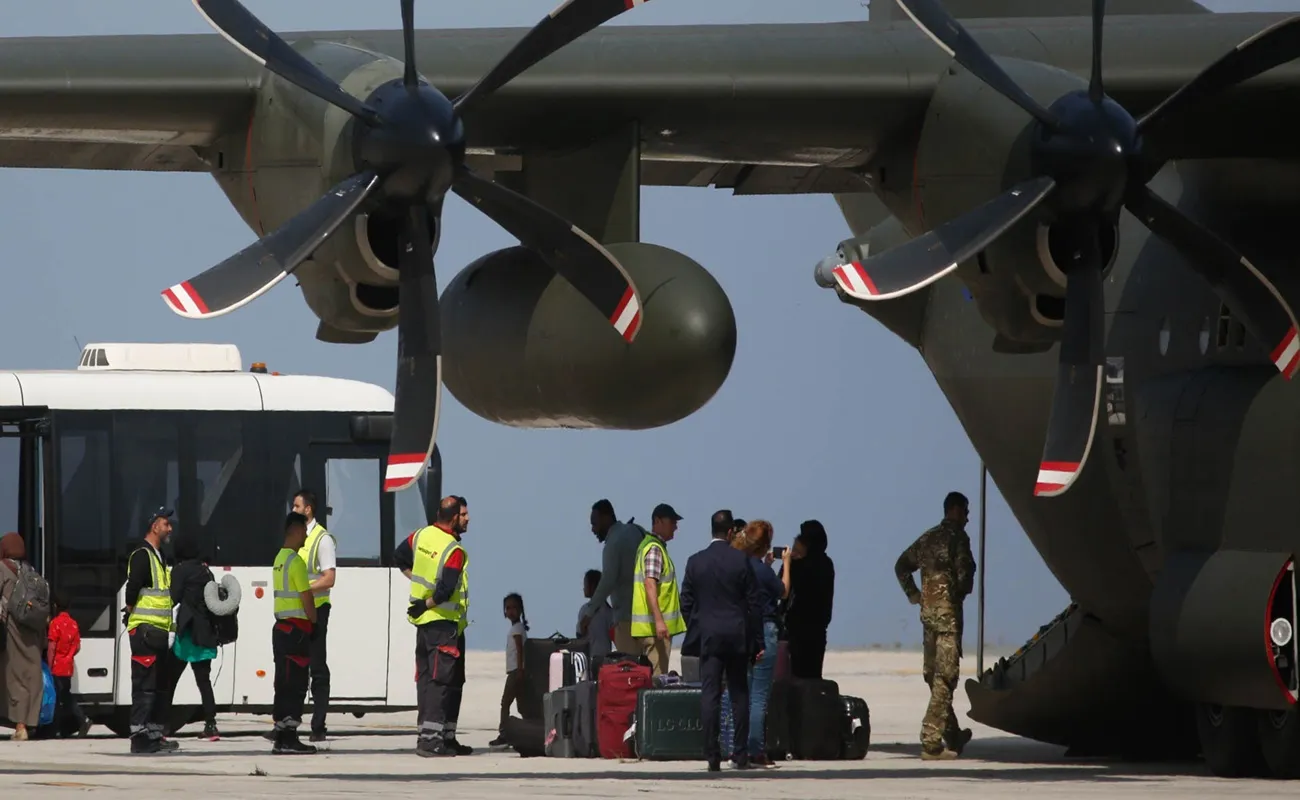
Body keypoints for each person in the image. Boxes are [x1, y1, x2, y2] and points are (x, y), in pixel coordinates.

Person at [894, 491, 977, 760]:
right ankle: (931, 739)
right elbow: (965, 576)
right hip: (948, 618)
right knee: (946, 676)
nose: (967, 518)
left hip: (928, 617)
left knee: (933, 674)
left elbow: (901, 566)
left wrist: (915, 595)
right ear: (954, 510)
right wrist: (957, 593)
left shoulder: (928, 537)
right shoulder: (958, 539)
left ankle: (952, 734)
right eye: (964, 511)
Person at [680, 509, 763, 772]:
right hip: (737, 636)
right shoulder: (741, 561)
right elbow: (754, 604)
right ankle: (740, 754)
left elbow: (686, 602)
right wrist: (757, 641)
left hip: (710, 637)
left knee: (710, 694)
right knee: (739, 695)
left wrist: (698, 626)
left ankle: (712, 755)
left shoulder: (695, 562)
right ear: (730, 532)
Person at [394, 495, 472, 757]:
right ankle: (431, 742)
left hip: (425, 624)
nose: (468, 518)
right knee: (441, 682)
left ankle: (441, 737)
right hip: (442, 623)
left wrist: (417, 589)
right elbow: (446, 590)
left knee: (429, 680)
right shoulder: (454, 550)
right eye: (463, 515)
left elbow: (399, 556)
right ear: (452, 518)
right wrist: (427, 602)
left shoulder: (421, 536)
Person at [122, 507, 180, 754]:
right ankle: (139, 736)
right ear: (155, 526)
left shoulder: (159, 556)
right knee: (144, 685)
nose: (170, 529)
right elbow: (132, 590)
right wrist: (131, 612)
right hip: (145, 631)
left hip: (157, 631)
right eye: (166, 524)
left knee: (157, 685)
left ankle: (154, 734)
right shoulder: (142, 555)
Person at [733, 520, 791, 765]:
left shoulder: (739, 566)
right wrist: (786, 563)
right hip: (765, 629)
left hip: (740, 631)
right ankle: (755, 749)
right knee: (758, 696)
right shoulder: (763, 570)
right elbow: (784, 591)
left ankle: (737, 747)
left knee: (741, 693)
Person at [270, 511, 319, 755]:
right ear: (296, 530)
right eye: (305, 530)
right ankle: (289, 738)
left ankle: (281, 734)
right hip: (296, 631)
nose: (307, 536)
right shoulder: (296, 562)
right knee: (296, 684)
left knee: (283, 681)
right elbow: (306, 597)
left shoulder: (279, 558)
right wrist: (315, 620)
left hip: (280, 629)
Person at [167, 533, 220, 740]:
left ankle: (162, 724)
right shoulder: (205, 570)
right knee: (203, 681)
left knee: (169, 679)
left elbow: (173, 597)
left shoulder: (181, 570)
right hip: (205, 634)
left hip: (187, 635)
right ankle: (211, 724)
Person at [294, 489, 335, 742]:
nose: (293, 510)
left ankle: (318, 725)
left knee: (317, 667)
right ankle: (288, 723)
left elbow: (329, 578)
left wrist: (304, 588)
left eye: (297, 506)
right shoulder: (295, 537)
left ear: (308, 509)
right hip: (297, 611)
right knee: (296, 668)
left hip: (317, 611)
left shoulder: (322, 539)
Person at [579, 500, 643, 655]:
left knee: (630, 670)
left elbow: (608, 580)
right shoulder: (637, 531)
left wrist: (589, 613)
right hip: (647, 616)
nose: (593, 529)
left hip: (627, 619)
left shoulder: (612, 544)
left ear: (606, 518)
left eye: (595, 523)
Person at [0, 533, 47, 741]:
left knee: (14, 675)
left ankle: (20, 726)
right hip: (33, 629)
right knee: (32, 674)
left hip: (12, 627)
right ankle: (31, 721)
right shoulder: (30, 570)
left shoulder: (2, 568)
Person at [631, 503, 686, 676]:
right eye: (672, 521)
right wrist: (659, 621)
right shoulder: (654, 549)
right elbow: (650, 584)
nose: (676, 527)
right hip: (655, 631)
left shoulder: (652, 547)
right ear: (658, 521)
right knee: (658, 678)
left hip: (652, 629)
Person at [784, 520, 835, 680]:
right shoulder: (826, 564)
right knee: (813, 678)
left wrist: (788, 563)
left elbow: (784, 589)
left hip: (798, 632)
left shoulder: (800, 567)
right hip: (818, 631)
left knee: (797, 678)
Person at [46, 590, 91, 738]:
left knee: (60, 698)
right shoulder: (73, 624)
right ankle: (68, 726)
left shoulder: (55, 624)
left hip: (57, 666)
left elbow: (52, 647)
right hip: (68, 666)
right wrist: (69, 656)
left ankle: (75, 722)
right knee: (64, 696)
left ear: (55, 606)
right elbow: (77, 646)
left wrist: (50, 663)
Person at [489, 592, 528, 749]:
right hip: (515, 670)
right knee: (521, 704)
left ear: (520, 610)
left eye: (514, 608)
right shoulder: (516, 628)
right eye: (508, 608)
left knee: (505, 703)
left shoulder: (517, 629)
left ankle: (504, 734)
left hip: (515, 671)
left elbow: (520, 650)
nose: (510, 611)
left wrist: (519, 669)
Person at [576, 569, 613, 659]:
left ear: (592, 586)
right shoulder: (609, 611)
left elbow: (579, 634)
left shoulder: (585, 609)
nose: (583, 588)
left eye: (585, 584)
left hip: (589, 656)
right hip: (605, 657)